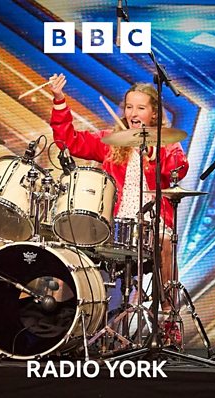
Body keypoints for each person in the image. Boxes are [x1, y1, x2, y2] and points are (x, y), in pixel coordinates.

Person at [49, 73, 189, 345]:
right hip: (114, 224)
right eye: (129, 107)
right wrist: (59, 100)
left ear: (153, 113)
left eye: (140, 108)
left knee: (164, 241)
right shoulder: (111, 140)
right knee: (72, 238)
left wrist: (154, 155)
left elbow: (179, 170)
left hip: (151, 225)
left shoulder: (167, 143)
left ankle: (169, 318)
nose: (133, 113)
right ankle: (66, 321)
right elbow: (69, 141)